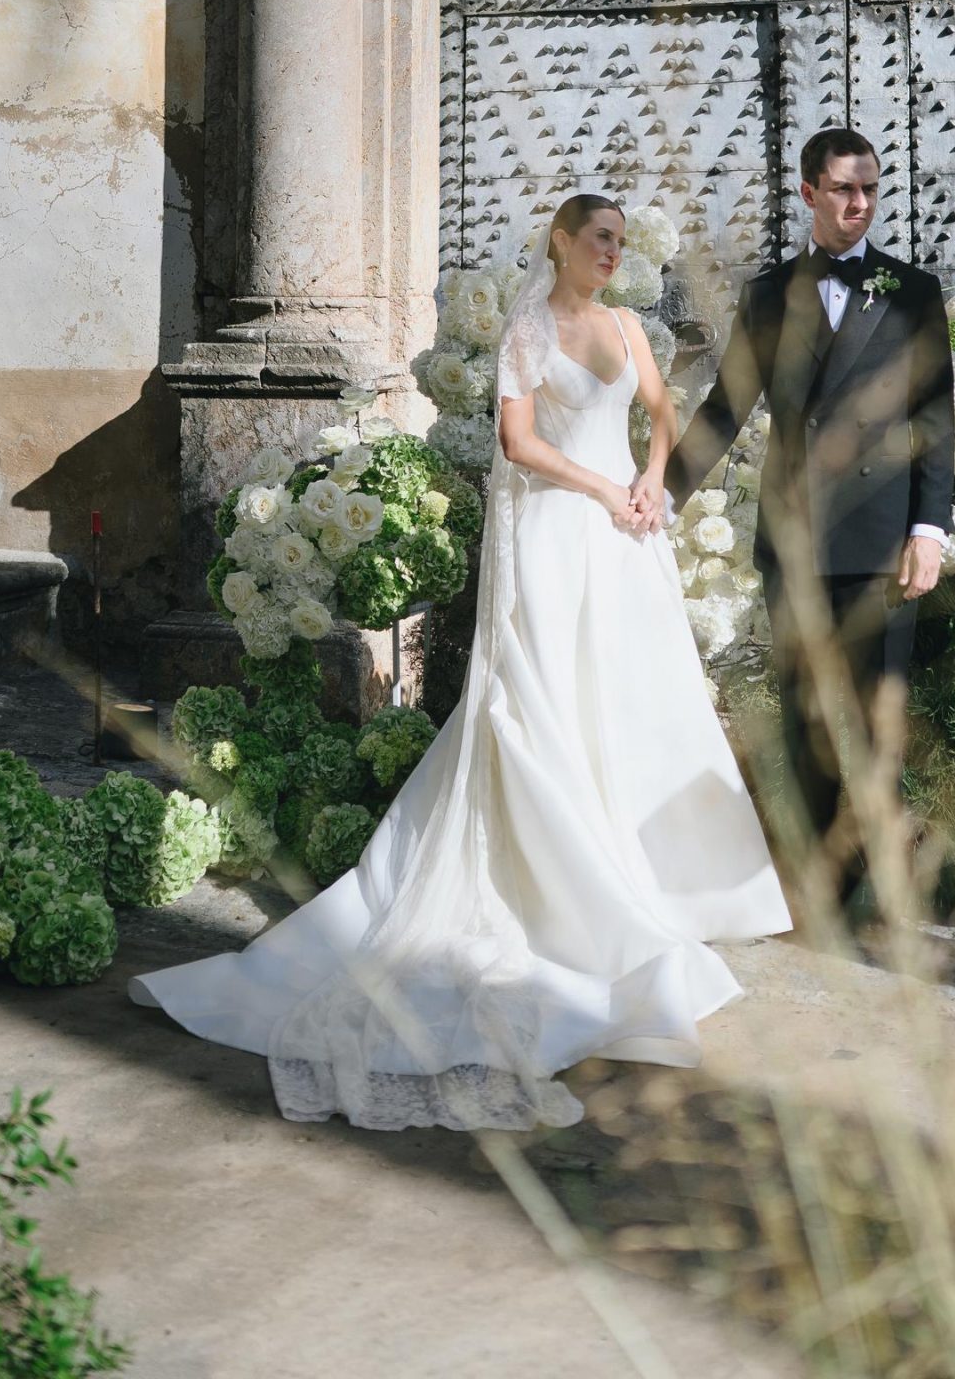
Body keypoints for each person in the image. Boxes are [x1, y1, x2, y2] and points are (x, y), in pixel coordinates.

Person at [130, 192, 790, 1132]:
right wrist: (605, 484)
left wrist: (650, 479)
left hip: (621, 541)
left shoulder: (630, 326)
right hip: (561, 531)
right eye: (597, 238)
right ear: (559, 244)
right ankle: (572, 890)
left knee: (630, 699)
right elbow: (518, 445)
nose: (611, 252)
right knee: (548, 699)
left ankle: (647, 876)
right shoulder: (527, 328)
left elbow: (659, 409)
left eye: (618, 241)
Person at [667, 129, 954, 909]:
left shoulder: (912, 291)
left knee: (875, 719)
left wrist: (929, 530)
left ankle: (871, 886)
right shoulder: (768, 296)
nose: (857, 203)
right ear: (808, 194)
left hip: (883, 539)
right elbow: (725, 408)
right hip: (794, 543)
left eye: (868, 188)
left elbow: (934, 418)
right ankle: (811, 889)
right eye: (841, 189)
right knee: (801, 720)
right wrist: (659, 496)